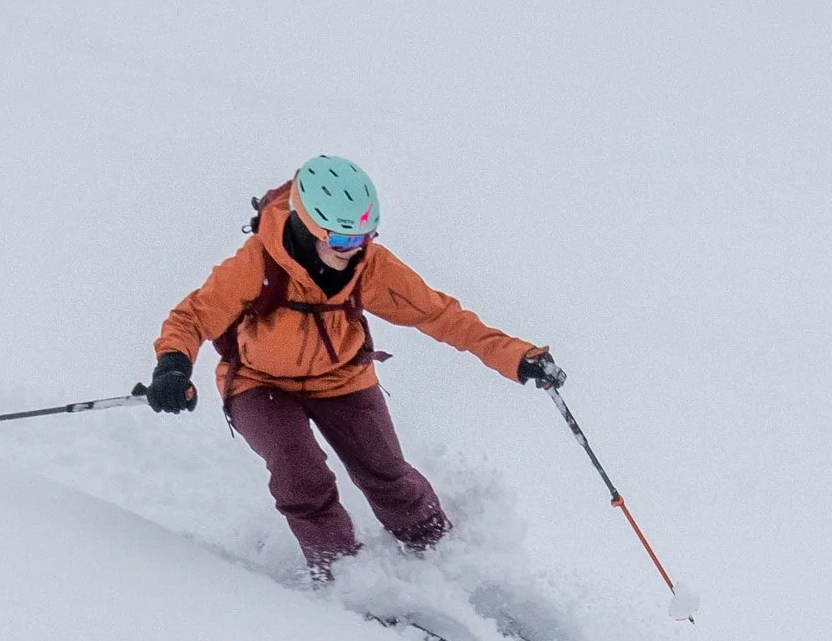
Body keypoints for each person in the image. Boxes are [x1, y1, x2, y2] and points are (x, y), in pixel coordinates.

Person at [147, 154, 562, 578]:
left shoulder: (371, 266)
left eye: (365, 237)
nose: (355, 250)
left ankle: (444, 560)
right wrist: (173, 368)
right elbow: (192, 317)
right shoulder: (257, 264)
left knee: (387, 475)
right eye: (342, 241)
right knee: (301, 473)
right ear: (310, 228)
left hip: (342, 377)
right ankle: (344, 576)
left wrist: (515, 357)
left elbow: (440, 315)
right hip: (259, 382)